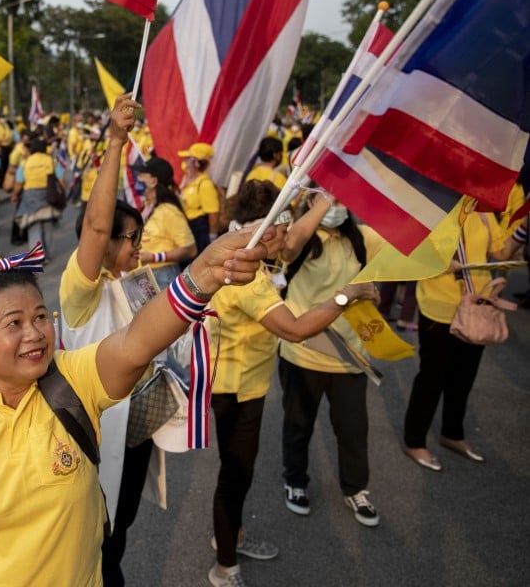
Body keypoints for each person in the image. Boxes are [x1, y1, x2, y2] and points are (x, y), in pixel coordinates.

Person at [0, 229, 270, 587]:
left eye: (39, 317)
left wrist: (202, 273)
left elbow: (137, 342)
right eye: (13, 323)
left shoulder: (71, 380)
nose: (34, 333)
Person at [205, 182, 378, 587]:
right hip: (233, 388)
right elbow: (296, 330)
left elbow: (294, 236)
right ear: (266, 230)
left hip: (246, 383)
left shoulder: (251, 257)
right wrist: (344, 297)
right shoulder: (247, 277)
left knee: (239, 474)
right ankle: (224, 567)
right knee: (234, 475)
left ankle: (231, 538)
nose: (288, 242)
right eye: (282, 232)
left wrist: (322, 199)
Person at [57, 94, 152, 586]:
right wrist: (114, 141)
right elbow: (96, 225)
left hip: (135, 432)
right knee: (93, 545)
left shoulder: (136, 282)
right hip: (92, 436)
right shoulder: (81, 290)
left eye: (139, 234)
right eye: (129, 236)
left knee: (118, 534)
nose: (137, 245)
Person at [277, 190, 385, 527]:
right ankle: (295, 481)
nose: (337, 207)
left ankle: (355, 489)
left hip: (349, 354)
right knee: (298, 425)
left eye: (342, 199)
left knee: (353, 429)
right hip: (303, 351)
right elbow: (288, 246)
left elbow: (404, 251)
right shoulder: (301, 239)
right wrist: (325, 199)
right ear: (311, 201)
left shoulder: (362, 238)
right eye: (328, 199)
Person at [402, 207, 526, 471]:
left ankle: (452, 434)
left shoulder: (482, 212)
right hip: (437, 308)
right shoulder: (432, 208)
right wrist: (437, 263)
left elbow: (502, 254)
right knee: (432, 377)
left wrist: (524, 226)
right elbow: (407, 253)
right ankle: (414, 440)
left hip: (475, 308)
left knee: (463, 376)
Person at [133, 156, 197, 289]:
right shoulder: (146, 207)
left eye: (141, 175)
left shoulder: (169, 211)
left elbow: (190, 250)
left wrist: (154, 257)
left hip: (162, 277)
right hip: (144, 275)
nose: (136, 179)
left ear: (153, 181)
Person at [12, 136, 63, 260]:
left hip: (30, 197)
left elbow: (19, 182)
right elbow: (61, 180)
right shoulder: (51, 161)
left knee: (33, 227)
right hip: (48, 196)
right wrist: (61, 193)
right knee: (48, 227)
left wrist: (15, 194)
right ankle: (46, 255)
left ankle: (36, 257)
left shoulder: (25, 162)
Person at [178, 142, 220, 249]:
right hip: (186, 227)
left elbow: (213, 214)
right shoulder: (187, 179)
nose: (184, 162)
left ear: (196, 163)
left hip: (198, 230)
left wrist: (212, 238)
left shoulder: (205, 184)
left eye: (188, 159)